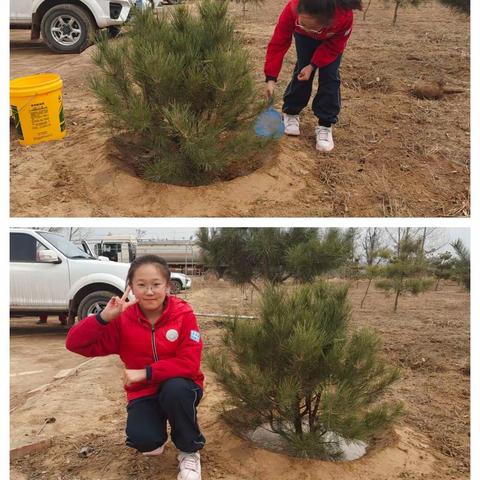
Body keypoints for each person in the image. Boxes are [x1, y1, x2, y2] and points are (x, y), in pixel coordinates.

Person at [66, 255, 205, 480]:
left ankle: (189, 450)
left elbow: (189, 363)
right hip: (144, 391)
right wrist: (103, 317)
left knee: (176, 390)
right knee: (145, 441)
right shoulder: (123, 319)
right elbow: (74, 344)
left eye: (156, 284)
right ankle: (155, 427)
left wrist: (146, 372)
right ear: (130, 287)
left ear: (167, 286)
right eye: (141, 285)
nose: (149, 291)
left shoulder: (182, 314)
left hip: (182, 386)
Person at [264, 0, 362, 152]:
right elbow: (278, 42)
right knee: (302, 71)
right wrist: (271, 78)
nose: (303, 26)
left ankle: (325, 124)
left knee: (330, 76)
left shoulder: (343, 17)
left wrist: (314, 65)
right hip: (305, 39)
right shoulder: (293, 9)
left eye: (310, 26)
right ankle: (291, 112)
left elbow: (335, 46)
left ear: (326, 21)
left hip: (332, 41)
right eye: (301, 22)